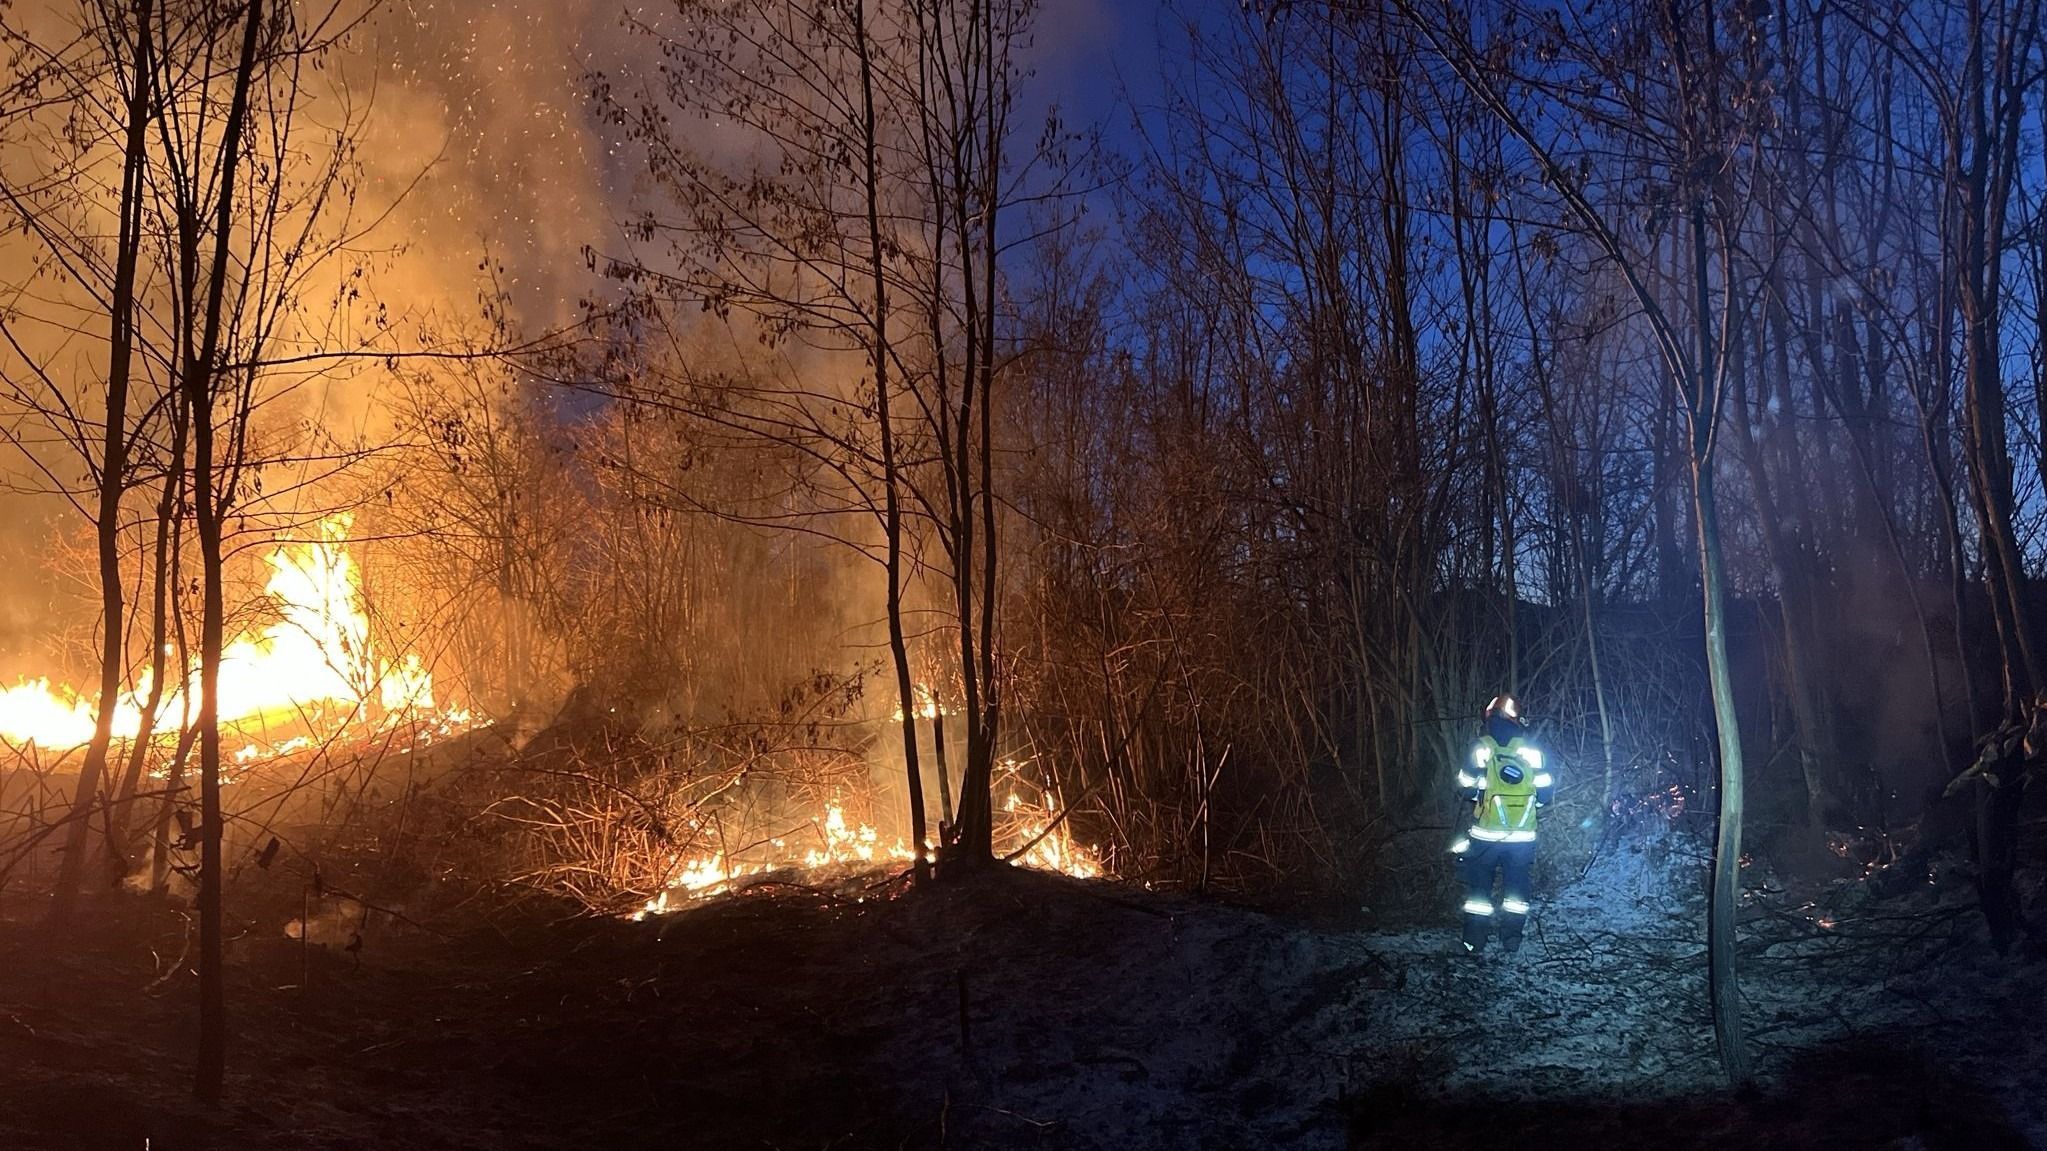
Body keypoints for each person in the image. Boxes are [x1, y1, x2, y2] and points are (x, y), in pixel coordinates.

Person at [1450, 693, 1554, 954]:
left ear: (1489, 716)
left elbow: (1464, 787)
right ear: (1517, 719)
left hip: (1485, 836)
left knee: (1479, 892)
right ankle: (1511, 939)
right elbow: (1545, 795)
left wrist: (1481, 798)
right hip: (1522, 839)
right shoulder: (1532, 750)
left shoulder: (1481, 747)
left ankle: (1474, 942)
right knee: (1517, 891)